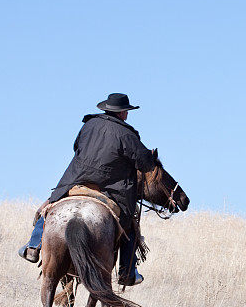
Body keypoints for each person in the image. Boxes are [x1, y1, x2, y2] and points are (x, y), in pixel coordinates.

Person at [18, 93, 158, 285]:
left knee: (49, 206)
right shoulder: (127, 134)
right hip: (109, 187)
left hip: (76, 179)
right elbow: (144, 163)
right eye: (127, 111)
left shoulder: (89, 125)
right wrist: (149, 157)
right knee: (129, 226)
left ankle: (33, 245)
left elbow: (76, 146)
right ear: (123, 112)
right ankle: (127, 271)